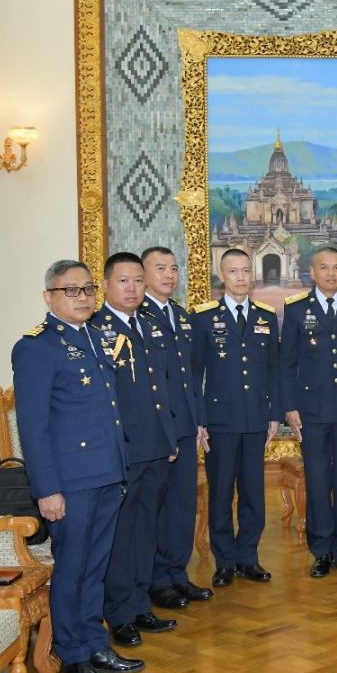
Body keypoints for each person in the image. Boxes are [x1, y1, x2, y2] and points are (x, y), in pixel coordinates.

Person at [12, 260, 136, 673]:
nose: (82, 298)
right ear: (49, 297)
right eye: (71, 291)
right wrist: (47, 489)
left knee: (96, 566)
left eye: (87, 289)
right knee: (72, 569)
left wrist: (119, 465)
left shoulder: (97, 338)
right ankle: (72, 656)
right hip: (70, 482)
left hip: (106, 472)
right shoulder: (36, 348)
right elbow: (33, 428)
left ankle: (94, 643)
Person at [91, 252, 178, 649]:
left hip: (156, 447)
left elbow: (161, 389)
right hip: (123, 451)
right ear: (106, 285)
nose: (132, 288)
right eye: (123, 281)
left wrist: (169, 438)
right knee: (122, 535)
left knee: (147, 529)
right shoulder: (97, 330)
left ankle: (140, 603)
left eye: (138, 281)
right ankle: (120, 613)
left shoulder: (149, 326)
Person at [191, 248, 280, 587]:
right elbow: (194, 374)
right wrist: (200, 419)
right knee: (221, 492)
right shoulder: (203, 318)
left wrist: (274, 414)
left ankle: (248, 557)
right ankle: (225, 560)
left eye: (245, 270)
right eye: (233, 271)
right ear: (221, 275)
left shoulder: (265, 316)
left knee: (254, 492)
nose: (241, 277)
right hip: (220, 420)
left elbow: (273, 369)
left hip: (256, 417)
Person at [280, 246, 337, 578]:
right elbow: (286, 363)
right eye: (324, 267)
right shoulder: (296, 309)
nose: (331, 273)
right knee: (317, 481)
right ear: (312, 272)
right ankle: (321, 550)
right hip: (312, 410)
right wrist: (289, 405)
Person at [139, 246, 213, 608]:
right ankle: (156, 580)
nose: (169, 275)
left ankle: (177, 574)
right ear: (143, 275)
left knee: (183, 504)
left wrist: (199, 420)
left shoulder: (183, 318)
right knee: (157, 506)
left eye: (173, 268)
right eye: (160, 268)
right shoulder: (138, 318)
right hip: (155, 431)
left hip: (184, 426)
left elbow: (192, 377)